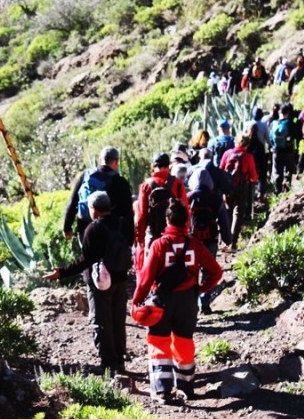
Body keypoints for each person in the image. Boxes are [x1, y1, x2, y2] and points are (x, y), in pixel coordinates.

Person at [131, 200, 223, 402]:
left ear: (167, 220)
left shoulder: (158, 245)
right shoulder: (195, 245)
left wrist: (136, 301)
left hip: (162, 301)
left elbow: (146, 279)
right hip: (188, 302)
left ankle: (163, 391)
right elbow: (216, 272)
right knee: (184, 343)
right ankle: (186, 387)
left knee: (159, 342)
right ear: (187, 221)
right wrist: (200, 289)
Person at [44, 192, 132, 375]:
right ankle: (120, 361)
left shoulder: (94, 229)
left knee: (101, 322)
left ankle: (109, 366)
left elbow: (85, 260)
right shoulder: (123, 223)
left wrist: (62, 273)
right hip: (121, 279)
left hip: (99, 283)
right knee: (118, 321)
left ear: (94, 209)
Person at [63, 147, 133, 245]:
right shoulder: (120, 182)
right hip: (109, 232)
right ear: (116, 162)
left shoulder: (86, 175)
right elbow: (127, 213)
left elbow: (73, 201)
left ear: (100, 160)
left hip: (85, 229)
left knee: (88, 257)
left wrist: (67, 227)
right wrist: (129, 240)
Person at [187, 167, 230, 314]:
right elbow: (224, 220)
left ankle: (191, 302)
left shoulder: (188, 197)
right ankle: (204, 303)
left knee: (191, 271)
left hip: (191, 240)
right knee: (208, 271)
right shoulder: (216, 198)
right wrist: (227, 239)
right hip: (210, 239)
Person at [135, 152, 189, 266]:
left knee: (150, 266)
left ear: (153, 166)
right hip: (175, 233)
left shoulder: (146, 185)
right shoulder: (178, 184)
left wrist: (140, 238)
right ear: (169, 165)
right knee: (176, 265)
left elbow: (141, 215)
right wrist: (184, 231)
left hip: (153, 232)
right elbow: (185, 209)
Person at [219, 135, 258, 250]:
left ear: (235, 142)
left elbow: (221, 170)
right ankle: (233, 242)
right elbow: (253, 176)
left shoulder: (227, 154)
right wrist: (252, 180)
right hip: (242, 187)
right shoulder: (248, 156)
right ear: (247, 144)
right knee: (238, 213)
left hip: (227, 187)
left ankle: (224, 241)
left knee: (227, 212)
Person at [270, 103, 299, 193]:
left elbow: (270, 137)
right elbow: (295, 135)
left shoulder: (274, 123)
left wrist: (273, 146)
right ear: (288, 113)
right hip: (288, 151)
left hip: (276, 151)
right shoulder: (290, 123)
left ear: (279, 112)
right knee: (287, 172)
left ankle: (277, 191)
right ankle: (287, 191)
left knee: (277, 172)